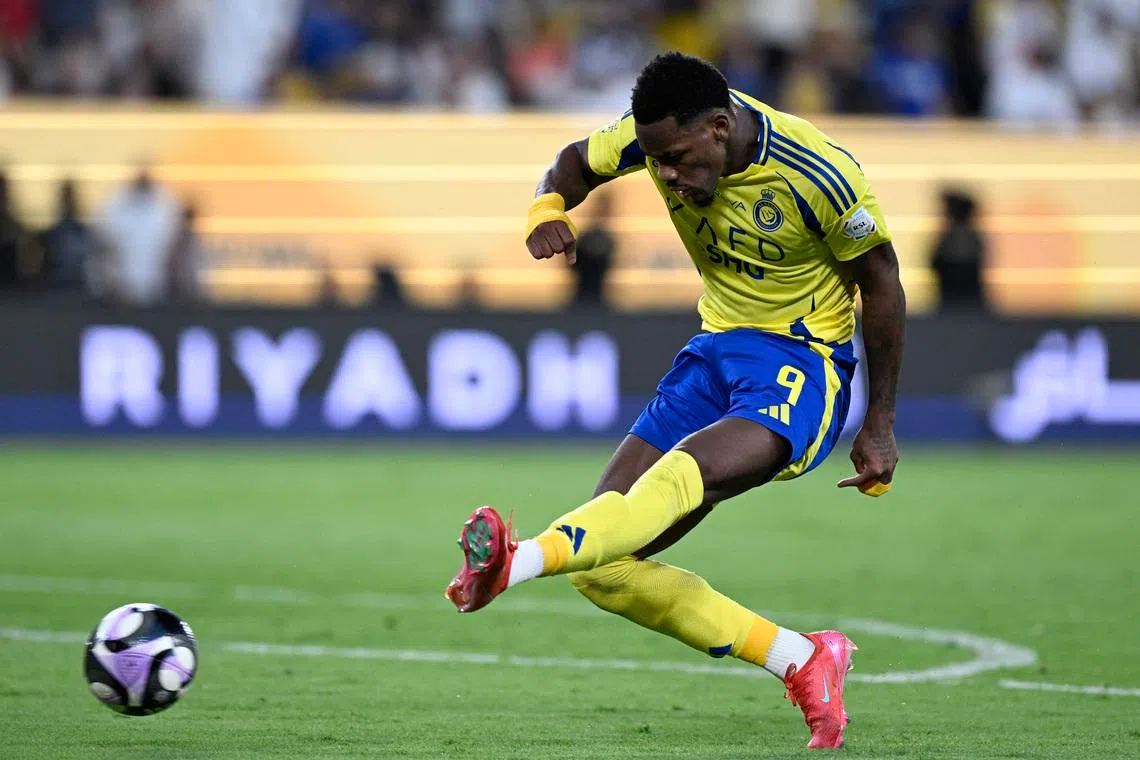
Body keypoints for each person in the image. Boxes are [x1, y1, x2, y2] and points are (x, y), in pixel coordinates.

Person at [444, 52, 906, 751]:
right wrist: (545, 206)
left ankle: (515, 561)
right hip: (714, 353)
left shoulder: (820, 173)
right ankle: (802, 659)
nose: (665, 175)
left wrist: (880, 423)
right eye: (655, 160)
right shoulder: (653, 137)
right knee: (604, 569)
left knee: (683, 476)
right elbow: (573, 161)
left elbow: (884, 283)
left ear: (720, 129)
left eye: (680, 159)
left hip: (804, 364)